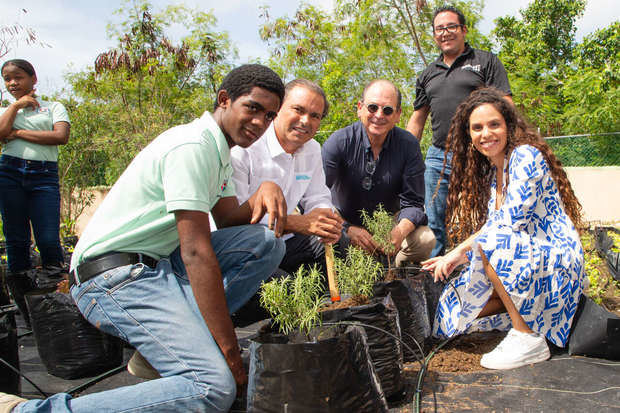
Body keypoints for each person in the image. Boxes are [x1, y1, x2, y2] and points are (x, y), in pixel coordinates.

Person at [0, 64, 287, 412]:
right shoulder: (192, 145)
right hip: (112, 279)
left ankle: (162, 354)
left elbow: (227, 219)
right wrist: (228, 352)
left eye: (269, 115)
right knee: (211, 387)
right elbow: (196, 251)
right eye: (253, 108)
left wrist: (267, 190)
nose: (260, 122)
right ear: (224, 99)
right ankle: (28, 410)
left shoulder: (219, 152)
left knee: (265, 242)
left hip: (156, 270)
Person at [423, 88, 585, 370]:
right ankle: (522, 313)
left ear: (509, 126)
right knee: (453, 310)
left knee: (492, 245)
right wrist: (454, 256)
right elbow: (494, 226)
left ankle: (527, 337)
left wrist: (457, 254)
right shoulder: (494, 173)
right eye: (477, 128)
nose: (486, 133)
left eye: (494, 124)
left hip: (553, 260)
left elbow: (507, 225)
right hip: (523, 259)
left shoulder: (525, 157)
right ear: (469, 136)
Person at [407, 5, 512, 258]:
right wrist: (406, 154)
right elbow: (418, 118)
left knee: (484, 217)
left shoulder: (485, 61)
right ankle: (437, 276)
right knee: (436, 224)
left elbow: (506, 106)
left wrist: (511, 148)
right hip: (438, 158)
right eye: (439, 29)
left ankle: (485, 270)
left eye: (451, 27)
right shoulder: (427, 74)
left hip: (480, 155)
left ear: (464, 30)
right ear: (434, 35)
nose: (445, 33)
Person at [230, 79, 342, 276]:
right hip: (245, 248)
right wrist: (296, 223)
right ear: (278, 109)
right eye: (298, 110)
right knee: (285, 291)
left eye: (314, 116)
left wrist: (325, 219)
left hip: (285, 242)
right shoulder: (245, 147)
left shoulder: (312, 149)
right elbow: (233, 222)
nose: (305, 120)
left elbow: (317, 195)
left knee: (340, 243)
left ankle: (329, 302)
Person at [322, 79, 435, 266]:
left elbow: (414, 202)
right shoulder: (339, 142)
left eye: (388, 110)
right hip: (343, 223)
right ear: (360, 108)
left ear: (398, 114)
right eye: (372, 107)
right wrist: (346, 229)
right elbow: (316, 196)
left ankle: (396, 270)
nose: (379, 115)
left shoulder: (408, 145)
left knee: (425, 239)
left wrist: (399, 231)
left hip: (388, 225)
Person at [0, 59, 71, 327]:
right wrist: (16, 106)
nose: (12, 83)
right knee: (16, 241)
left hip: (44, 176)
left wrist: (16, 132)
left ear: (33, 78)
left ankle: (57, 307)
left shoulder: (53, 107)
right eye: (7, 79)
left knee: (49, 238)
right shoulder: (6, 109)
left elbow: (59, 137)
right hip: (9, 174)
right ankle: (29, 314)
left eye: (18, 77)